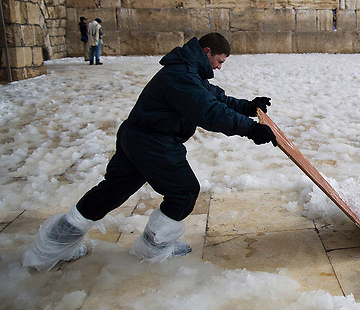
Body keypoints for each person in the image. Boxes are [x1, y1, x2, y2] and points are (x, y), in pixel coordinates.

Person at [22, 33, 278, 271]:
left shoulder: (189, 71)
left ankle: (49, 248)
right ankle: (154, 246)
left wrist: (247, 106)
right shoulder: (181, 75)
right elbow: (209, 112)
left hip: (138, 136)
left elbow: (216, 99)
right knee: (184, 191)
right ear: (207, 51)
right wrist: (250, 130)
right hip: (153, 142)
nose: (219, 67)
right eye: (219, 61)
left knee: (111, 192)